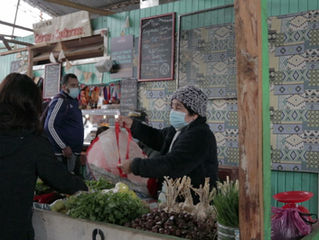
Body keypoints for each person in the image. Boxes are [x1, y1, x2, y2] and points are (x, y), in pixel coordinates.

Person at [0, 73, 88, 240]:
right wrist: (84, 187)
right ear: (31, 105)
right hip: (12, 230)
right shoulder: (33, 142)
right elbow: (60, 180)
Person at [118, 86, 218, 202]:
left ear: (195, 114)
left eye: (178, 107)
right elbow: (158, 138)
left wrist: (134, 166)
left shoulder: (200, 135)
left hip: (193, 203)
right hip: (172, 197)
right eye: (172, 106)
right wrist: (133, 125)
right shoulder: (178, 129)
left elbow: (173, 164)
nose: (173, 111)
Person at [44, 73, 84, 176]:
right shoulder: (60, 101)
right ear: (64, 87)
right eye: (73, 85)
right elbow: (49, 126)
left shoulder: (74, 101)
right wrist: (63, 146)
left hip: (73, 153)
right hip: (63, 155)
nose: (76, 88)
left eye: (77, 85)